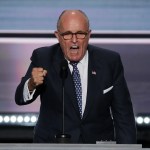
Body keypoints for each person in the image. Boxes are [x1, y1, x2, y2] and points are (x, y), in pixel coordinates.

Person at [15, 10, 136, 144]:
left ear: (89, 35)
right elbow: (20, 98)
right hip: (54, 146)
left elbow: (124, 117)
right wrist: (31, 84)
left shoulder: (110, 62)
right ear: (58, 36)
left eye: (80, 34)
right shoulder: (44, 58)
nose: (74, 40)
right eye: (67, 34)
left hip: (97, 146)